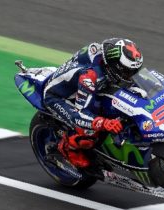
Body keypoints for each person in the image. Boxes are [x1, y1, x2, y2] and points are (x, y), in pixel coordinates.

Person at [43, 38, 143, 168]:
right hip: (57, 97)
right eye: (126, 72)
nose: (130, 76)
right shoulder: (89, 78)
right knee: (88, 132)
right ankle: (67, 149)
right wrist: (104, 123)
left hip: (82, 85)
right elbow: (80, 115)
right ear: (113, 66)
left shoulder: (108, 55)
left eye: (134, 71)